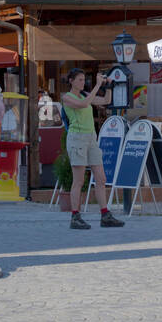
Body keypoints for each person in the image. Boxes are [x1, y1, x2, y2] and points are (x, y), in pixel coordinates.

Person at [60, 68, 124, 230]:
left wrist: (108, 86)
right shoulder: (67, 97)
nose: (82, 82)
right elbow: (83, 104)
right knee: (79, 181)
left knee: (101, 178)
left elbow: (105, 101)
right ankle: (75, 216)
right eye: (79, 80)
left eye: (83, 80)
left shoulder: (84, 95)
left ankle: (105, 215)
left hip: (91, 138)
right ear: (71, 81)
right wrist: (96, 85)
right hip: (77, 139)